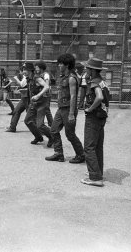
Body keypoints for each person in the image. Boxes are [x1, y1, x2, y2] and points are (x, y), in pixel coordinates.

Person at [45, 53, 85, 163]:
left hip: (68, 110)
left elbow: (73, 96)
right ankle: (59, 154)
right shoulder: (63, 77)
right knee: (53, 130)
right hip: (61, 108)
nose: (59, 66)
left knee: (70, 134)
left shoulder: (72, 78)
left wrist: (72, 114)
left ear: (67, 65)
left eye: (61, 64)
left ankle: (81, 155)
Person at [80, 58, 109, 187]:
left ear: (92, 70)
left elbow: (100, 97)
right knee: (97, 146)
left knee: (89, 147)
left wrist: (90, 108)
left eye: (87, 68)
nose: (86, 69)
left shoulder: (95, 82)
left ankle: (95, 178)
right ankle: (97, 172)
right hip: (101, 116)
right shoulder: (101, 81)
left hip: (94, 116)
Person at [26, 62, 53, 145]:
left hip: (42, 103)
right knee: (28, 121)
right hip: (33, 103)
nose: (23, 72)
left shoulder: (36, 78)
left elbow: (47, 86)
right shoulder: (29, 79)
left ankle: (52, 137)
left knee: (40, 125)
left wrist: (38, 95)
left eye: (24, 70)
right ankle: (38, 137)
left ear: (29, 70)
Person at [5, 67, 28, 133]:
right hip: (24, 98)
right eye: (23, 70)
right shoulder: (25, 78)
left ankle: (40, 130)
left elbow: (22, 84)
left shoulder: (28, 78)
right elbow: (22, 85)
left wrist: (16, 79)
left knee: (31, 116)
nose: (23, 72)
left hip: (29, 99)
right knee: (16, 111)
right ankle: (12, 127)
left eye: (24, 70)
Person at [35, 61, 53, 127]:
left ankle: (51, 124)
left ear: (41, 68)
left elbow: (47, 85)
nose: (36, 69)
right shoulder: (39, 75)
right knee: (45, 110)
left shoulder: (46, 75)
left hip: (46, 95)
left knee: (46, 109)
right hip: (41, 94)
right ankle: (50, 123)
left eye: (37, 68)